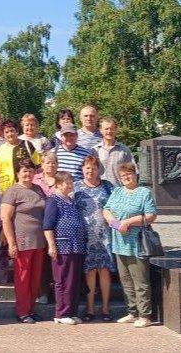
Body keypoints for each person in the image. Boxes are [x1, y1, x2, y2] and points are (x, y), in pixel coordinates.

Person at [103, 163, 157, 327]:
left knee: (140, 281)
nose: (126, 177)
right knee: (126, 281)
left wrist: (128, 222)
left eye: (129, 174)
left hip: (137, 244)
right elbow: (106, 209)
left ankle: (145, 315)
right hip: (119, 244)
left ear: (135, 174)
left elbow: (151, 216)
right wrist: (114, 223)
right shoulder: (117, 191)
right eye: (123, 175)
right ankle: (132, 312)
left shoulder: (144, 193)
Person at [0, 159, 47, 324]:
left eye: (30, 171)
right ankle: (22, 311)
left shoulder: (39, 189)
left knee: (35, 279)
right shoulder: (12, 191)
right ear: (18, 173)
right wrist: (11, 243)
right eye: (24, 171)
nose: (28, 174)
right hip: (22, 241)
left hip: (39, 241)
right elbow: (5, 218)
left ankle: (31, 309)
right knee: (23, 278)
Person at [74, 155, 115, 321]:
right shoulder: (76, 186)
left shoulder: (107, 186)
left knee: (104, 271)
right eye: (87, 167)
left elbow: (115, 206)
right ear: (82, 169)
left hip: (105, 235)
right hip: (85, 236)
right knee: (89, 271)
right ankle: (90, 309)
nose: (90, 171)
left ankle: (105, 308)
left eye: (93, 167)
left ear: (99, 170)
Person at [43, 172, 86, 325]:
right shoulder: (53, 200)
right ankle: (61, 313)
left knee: (73, 280)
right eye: (67, 182)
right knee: (62, 280)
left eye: (71, 182)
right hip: (62, 245)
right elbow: (47, 226)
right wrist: (51, 245)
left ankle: (71, 311)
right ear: (59, 184)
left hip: (76, 245)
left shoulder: (71, 200)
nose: (70, 185)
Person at [0, 119, 41, 193]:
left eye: (12, 131)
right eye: (6, 132)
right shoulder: (0, 150)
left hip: (26, 189)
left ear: (17, 131)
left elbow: (38, 167)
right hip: (6, 190)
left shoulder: (27, 145)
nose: (10, 134)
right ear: (3, 134)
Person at [93, 117, 135, 187]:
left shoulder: (124, 150)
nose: (109, 131)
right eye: (106, 129)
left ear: (116, 130)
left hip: (120, 190)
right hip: (100, 191)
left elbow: (133, 171)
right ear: (101, 130)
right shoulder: (95, 150)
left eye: (112, 129)